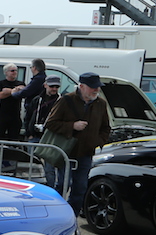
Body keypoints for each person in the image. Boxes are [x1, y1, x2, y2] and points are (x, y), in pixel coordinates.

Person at [45, 71, 111, 214]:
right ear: (81, 86)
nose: (96, 89)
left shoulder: (101, 104)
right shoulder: (66, 100)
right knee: (63, 185)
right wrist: (72, 126)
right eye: (93, 86)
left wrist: (97, 141)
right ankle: (55, 214)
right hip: (66, 152)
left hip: (86, 153)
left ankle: (71, 217)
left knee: (80, 188)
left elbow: (106, 128)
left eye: (98, 86)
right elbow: (50, 123)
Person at [29, 75, 63, 191]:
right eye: (52, 86)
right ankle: (33, 190)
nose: (54, 89)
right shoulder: (37, 100)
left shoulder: (61, 101)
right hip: (35, 137)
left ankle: (50, 190)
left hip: (50, 139)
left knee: (49, 168)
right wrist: (29, 132)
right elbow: (28, 116)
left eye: (57, 87)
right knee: (32, 165)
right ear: (45, 85)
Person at [14, 58, 47, 137]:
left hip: (33, 108)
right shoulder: (42, 77)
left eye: (31, 67)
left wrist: (14, 93)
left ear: (34, 68)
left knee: (30, 128)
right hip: (38, 108)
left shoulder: (38, 79)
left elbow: (25, 93)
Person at [0, 63, 24, 141]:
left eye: (16, 71)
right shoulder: (1, 83)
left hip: (15, 116)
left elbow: (23, 93)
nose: (15, 72)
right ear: (6, 72)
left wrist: (8, 91)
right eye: (12, 71)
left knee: (13, 139)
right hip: (2, 116)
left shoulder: (20, 83)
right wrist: (14, 91)